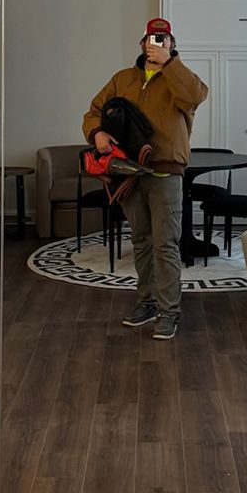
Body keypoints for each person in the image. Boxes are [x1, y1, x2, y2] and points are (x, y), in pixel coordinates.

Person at [83, 18, 208, 340]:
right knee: (141, 241)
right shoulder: (123, 79)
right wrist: (97, 133)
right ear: (142, 44)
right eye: (152, 38)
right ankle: (147, 303)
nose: (156, 43)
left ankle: (169, 312)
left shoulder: (181, 80)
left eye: (163, 38)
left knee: (166, 244)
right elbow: (94, 111)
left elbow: (195, 97)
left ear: (172, 44)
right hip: (128, 173)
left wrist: (170, 64)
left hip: (166, 172)